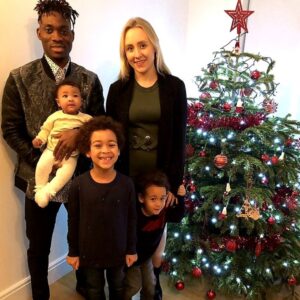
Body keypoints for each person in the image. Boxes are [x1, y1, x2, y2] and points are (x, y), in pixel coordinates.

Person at [1, 1, 104, 299]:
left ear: (72, 35)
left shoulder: (89, 79)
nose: (57, 35)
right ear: (39, 34)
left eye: (63, 30)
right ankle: (40, 294)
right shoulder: (20, 78)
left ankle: (86, 285)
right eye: (49, 29)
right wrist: (42, 161)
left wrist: (80, 135)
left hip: (82, 177)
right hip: (37, 178)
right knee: (38, 244)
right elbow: (10, 129)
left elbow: (100, 126)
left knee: (83, 237)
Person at [106, 17, 187, 299]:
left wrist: (174, 185)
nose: (137, 53)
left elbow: (179, 139)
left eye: (142, 45)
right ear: (124, 53)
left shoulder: (174, 87)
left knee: (156, 231)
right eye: (130, 48)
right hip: (127, 176)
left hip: (160, 177)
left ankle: (154, 282)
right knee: (130, 230)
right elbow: (111, 138)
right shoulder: (118, 90)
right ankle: (129, 283)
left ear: (154, 47)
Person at [66, 115, 137, 300]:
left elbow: (131, 219)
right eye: (98, 145)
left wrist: (131, 249)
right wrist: (73, 252)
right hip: (89, 252)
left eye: (111, 144)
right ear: (87, 151)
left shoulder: (127, 184)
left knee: (118, 288)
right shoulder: (78, 185)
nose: (105, 150)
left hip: (118, 252)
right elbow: (73, 221)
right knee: (94, 290)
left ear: (119, 149)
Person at [123, 171, 186, 300]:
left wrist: (180, 197)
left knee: (151, 285)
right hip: (132, 259)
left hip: (146, 258)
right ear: (141, 198)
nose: (158, 204)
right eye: (153, 199)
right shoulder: (135, 216)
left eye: (162, 198)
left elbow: (178, 217)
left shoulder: (163, 212)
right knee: (133, 286)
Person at [33, 80, 92, 208]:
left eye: (75, 95)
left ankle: (49, 192)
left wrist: (79, 133)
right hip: (51, 151)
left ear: (81, 100)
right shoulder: (54, 117)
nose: (70, 99)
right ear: (58, 102)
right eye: (65, 96)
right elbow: (45, 130)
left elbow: (93, 132)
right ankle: (40, 189)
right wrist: (40, 139)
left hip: (71, 156)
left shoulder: (86, 119)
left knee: (65, 174)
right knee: (42, 166)